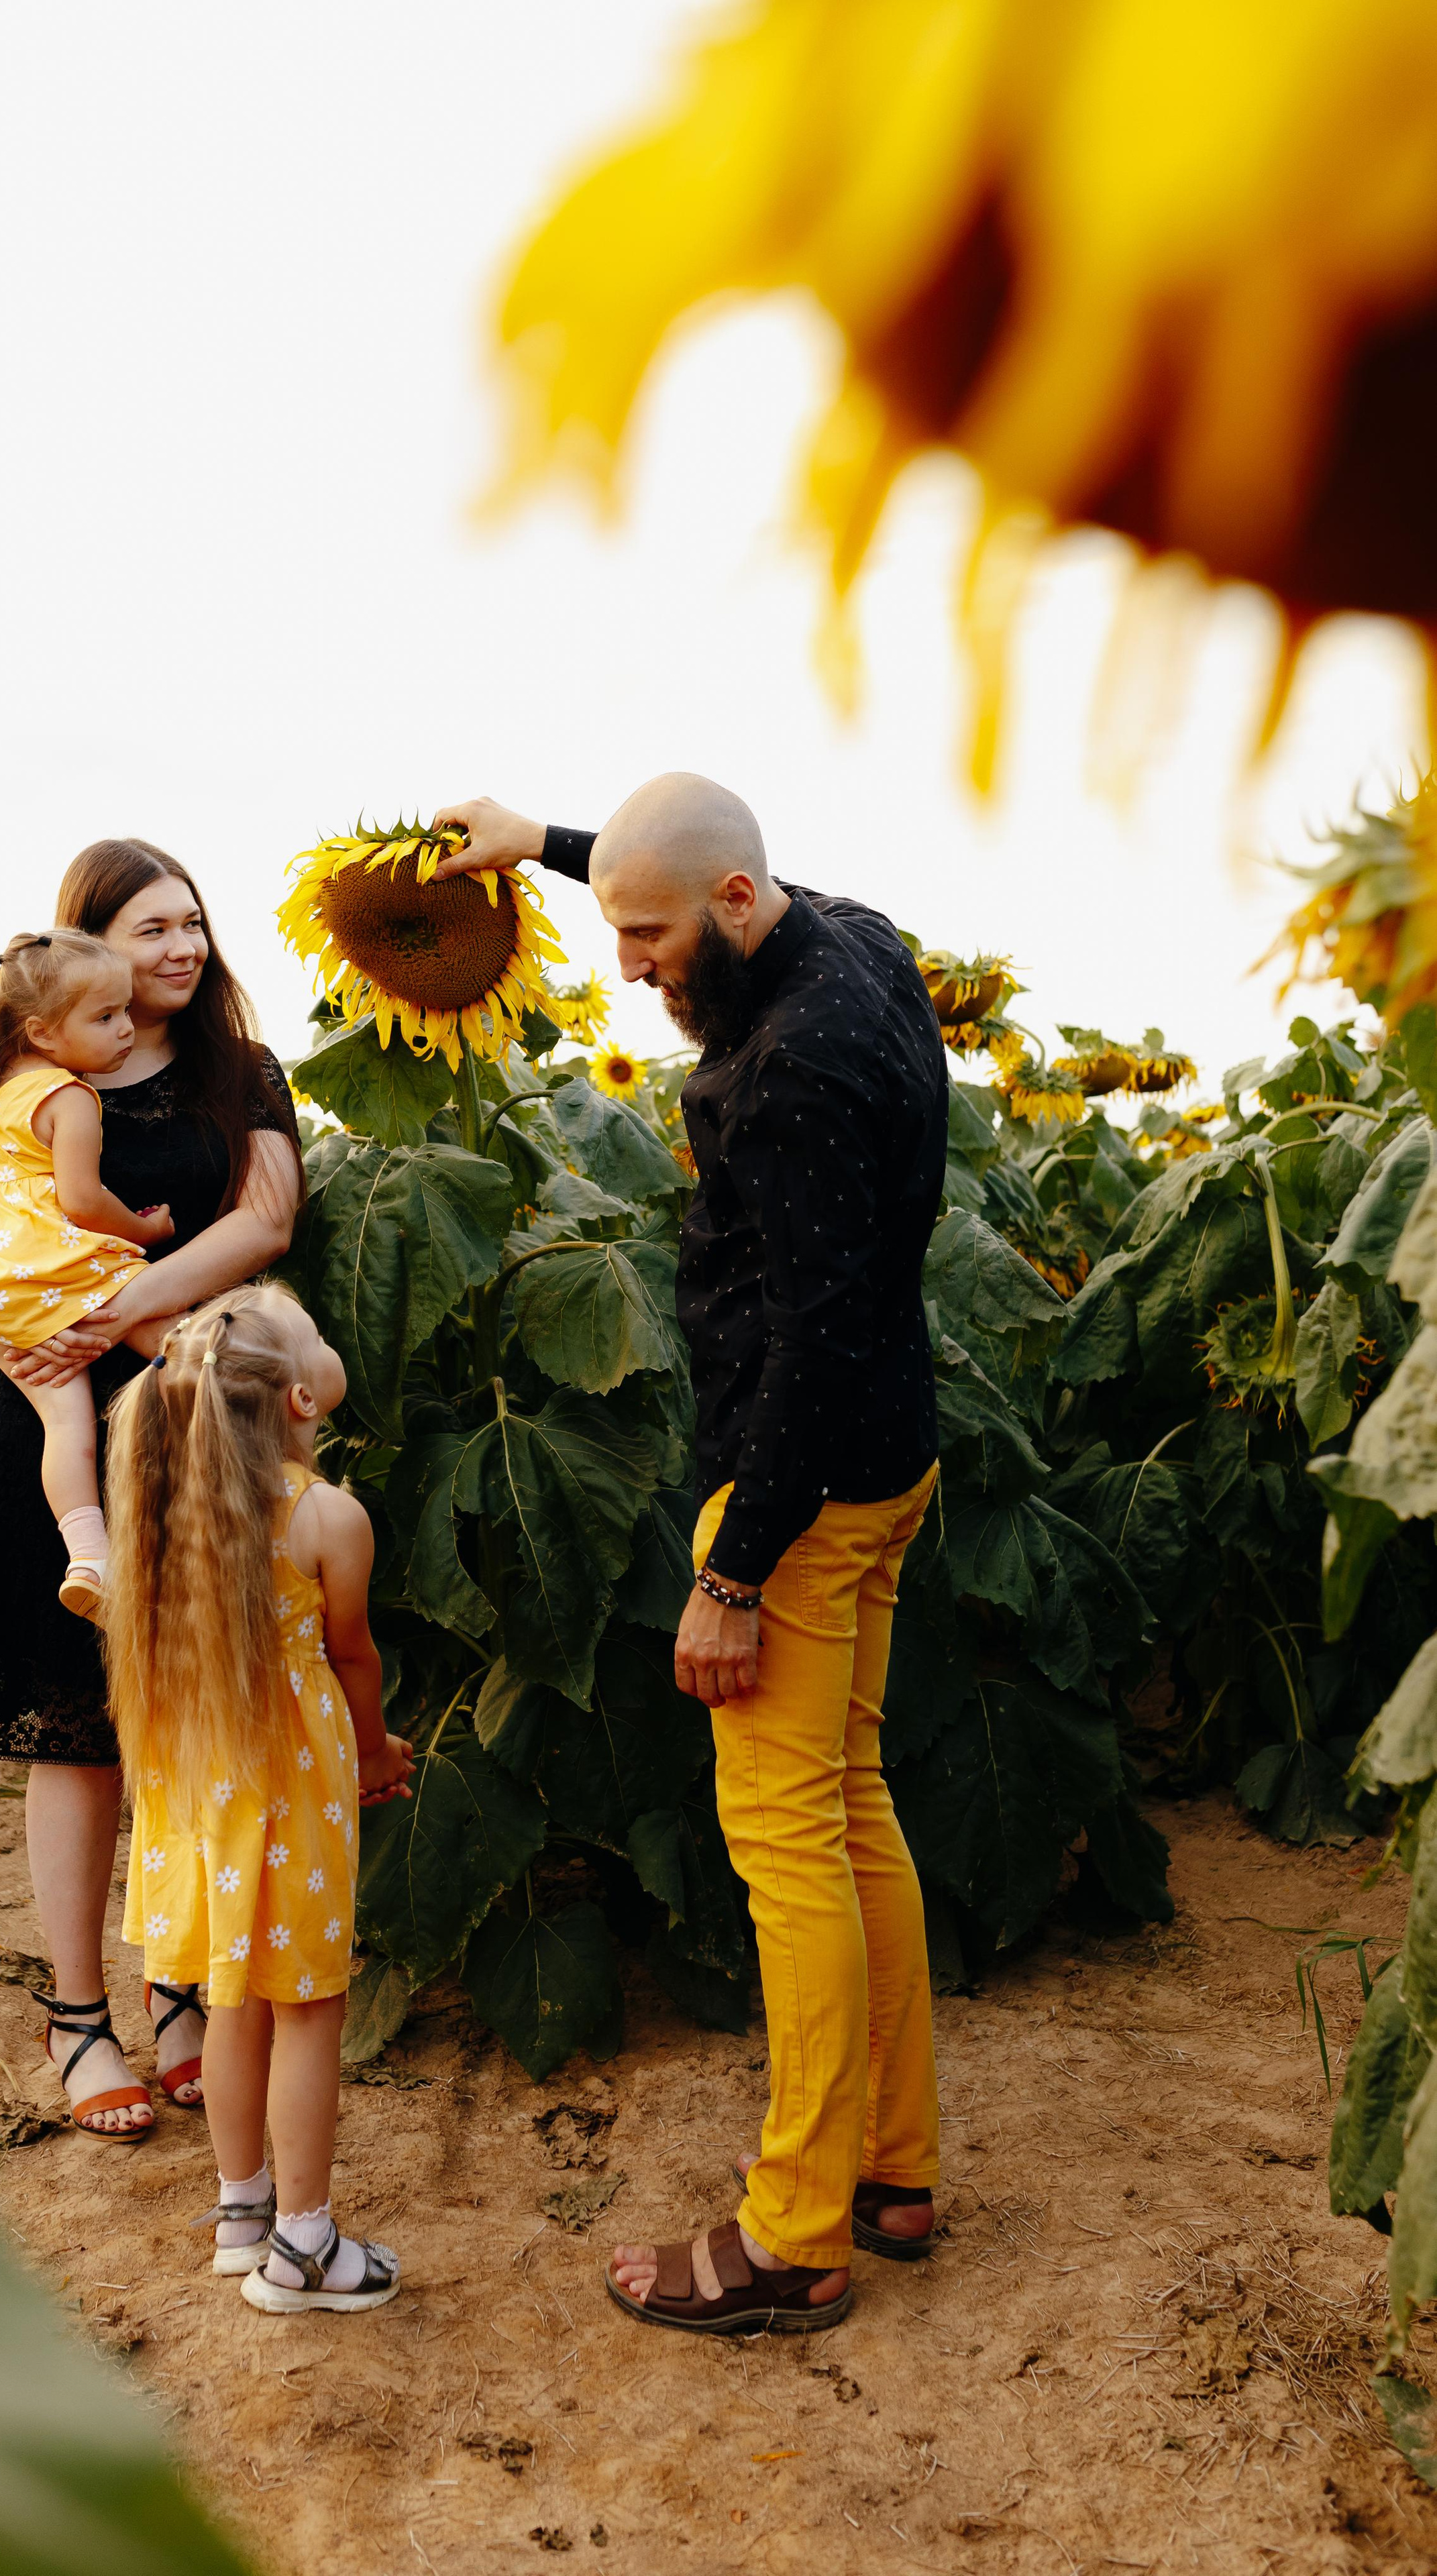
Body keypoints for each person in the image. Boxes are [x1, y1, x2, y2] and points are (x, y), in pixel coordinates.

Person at [433, 777, 948, 2335]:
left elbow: (814, 1343)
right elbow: (688, 873)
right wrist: (551, 848)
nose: (628, 965)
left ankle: (792, 2234)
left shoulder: (785, 1072)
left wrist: (730, 1579)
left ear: (728, 906)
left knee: (786, 1851)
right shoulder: (853, 938)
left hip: (799, 1491)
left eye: (644, 935)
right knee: (848, 1808)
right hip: (888, 1467)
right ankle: (891, 2165)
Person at [0, 840, 304, 2139]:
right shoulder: (14, 1087)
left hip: (194, 1409)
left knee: (191, 1713)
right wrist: (20, 1327)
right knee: (73, 1731)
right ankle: (78, 2017)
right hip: (49, 1410)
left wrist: (123, 1306)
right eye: (150, 929)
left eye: (192, 921)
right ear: (87, 946)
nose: (182, 947)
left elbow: (264, 1222)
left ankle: (181, 1986)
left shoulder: (239, 1072)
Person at [107, 1283, 414, 2308]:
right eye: (313, 1337)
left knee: (231, 2000)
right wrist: (374, 1754)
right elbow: (354, 1656)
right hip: (293, 1787)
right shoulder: (328, 1516)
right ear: (300, 1400)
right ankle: (305, 2247)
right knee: (310, 2007)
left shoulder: (165, 1507)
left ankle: (242, 2213)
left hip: (204, 1788)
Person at [0, 929, 175, 1618]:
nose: (126, 1028)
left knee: (66, 1422)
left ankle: (89, 1557)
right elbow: (83, 1202)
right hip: (54, 1267)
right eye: (106, 1016)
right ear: (42, 1033)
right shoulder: (69, 1097)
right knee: (180, 1348)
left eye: (125, 1010)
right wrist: (146, 1229)